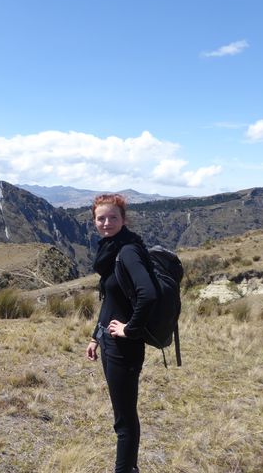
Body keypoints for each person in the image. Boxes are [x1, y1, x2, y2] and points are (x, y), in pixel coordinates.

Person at [86, 194, 157, 473]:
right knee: (122, 414)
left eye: (112, 217)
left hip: (123, 347)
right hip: (108, 341)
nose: (106, 223)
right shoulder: (112, 249)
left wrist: (130, 329)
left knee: (124, 420)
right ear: (94, 221)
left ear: (123, 219)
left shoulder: (127, 251)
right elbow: (111, 301)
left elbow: (147, 295)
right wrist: (95, 336)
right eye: (101, 218)